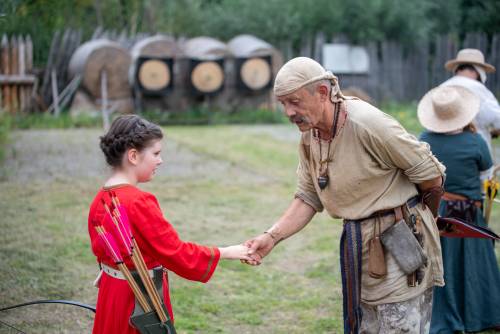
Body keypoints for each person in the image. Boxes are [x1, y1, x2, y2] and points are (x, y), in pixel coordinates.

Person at [243, 57, 446, 333]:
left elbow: (431, 176)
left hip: (400, 242)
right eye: (283, 103)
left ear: (323, 93)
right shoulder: (310, 136)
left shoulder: (369, 124)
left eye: (294, 101)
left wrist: (421, 220)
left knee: (400, 327)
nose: (288, 112)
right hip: (358, 247)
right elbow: (308, 196)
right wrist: (271, 237)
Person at [88, 115, 251, 334]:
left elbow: (106, 249)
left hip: (112, 292)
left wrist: (112, 268)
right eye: (156, 153)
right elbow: (175, 252)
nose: (160, 160)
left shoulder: (101, 196)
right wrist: (228, 252)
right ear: (133, 156)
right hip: (137, 300)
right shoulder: (138, 202)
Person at [418, 85, 500, 333]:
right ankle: (480, 315)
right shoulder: (475, 141)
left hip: (436, 212)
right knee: (474, 265)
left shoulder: (424, 141)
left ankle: (445, 315)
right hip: (467, 213)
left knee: (442, 263)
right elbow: (486, 175)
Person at [441, 48, 500, 153]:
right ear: (477, 70)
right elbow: (496, 118)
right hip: (474, 148)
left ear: (458, 69)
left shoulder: (442, 87)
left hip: (442, 148)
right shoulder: (478, 88)